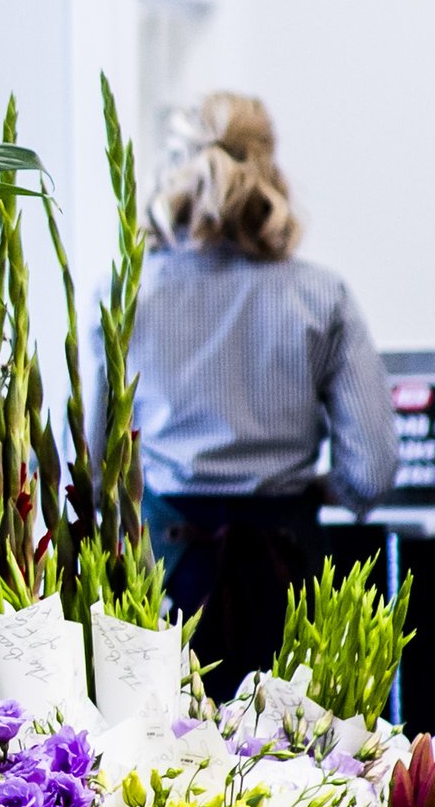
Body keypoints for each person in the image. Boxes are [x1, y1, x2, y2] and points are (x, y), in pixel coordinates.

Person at [126, 92, 397, 684]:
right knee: (301, 762)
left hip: (162, 576)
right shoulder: (323, 296)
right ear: (270, 167)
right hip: (288, 571)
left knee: (163, 765)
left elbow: (92, 468)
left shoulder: (124, 295)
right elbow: (372, 471)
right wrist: (319, 489)